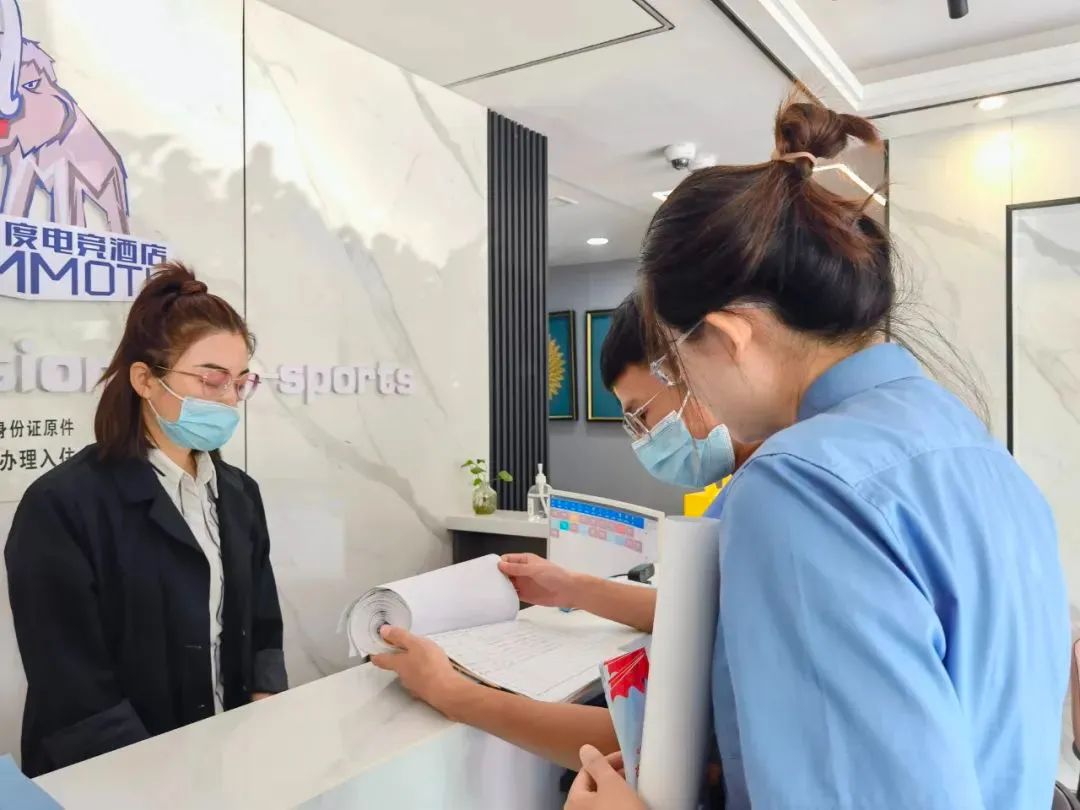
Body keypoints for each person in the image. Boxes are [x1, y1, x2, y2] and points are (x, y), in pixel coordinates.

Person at [575, 97, 1062, 809]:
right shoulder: (971, 443)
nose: (690, 390)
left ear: (730, 336)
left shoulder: (798, 487)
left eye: (678, 363)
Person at [372, 293, 754, 774]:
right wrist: (570, 588)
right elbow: (706, 617)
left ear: (696, 365)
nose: (644, 439)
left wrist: (451, 692)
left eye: (641, 414)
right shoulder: (750, 488)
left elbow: (674, 745)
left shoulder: (770, 499)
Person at [5, 262, 287, 776]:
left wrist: (263, 711)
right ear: (144, 379)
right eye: (211, 379)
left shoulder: (239, 494)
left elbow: (262, 623)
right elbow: (70, 681)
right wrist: (156, 778)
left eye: (240, 382)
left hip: (224, 761)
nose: (228, 399)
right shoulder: (62, 504)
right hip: (110, 776)